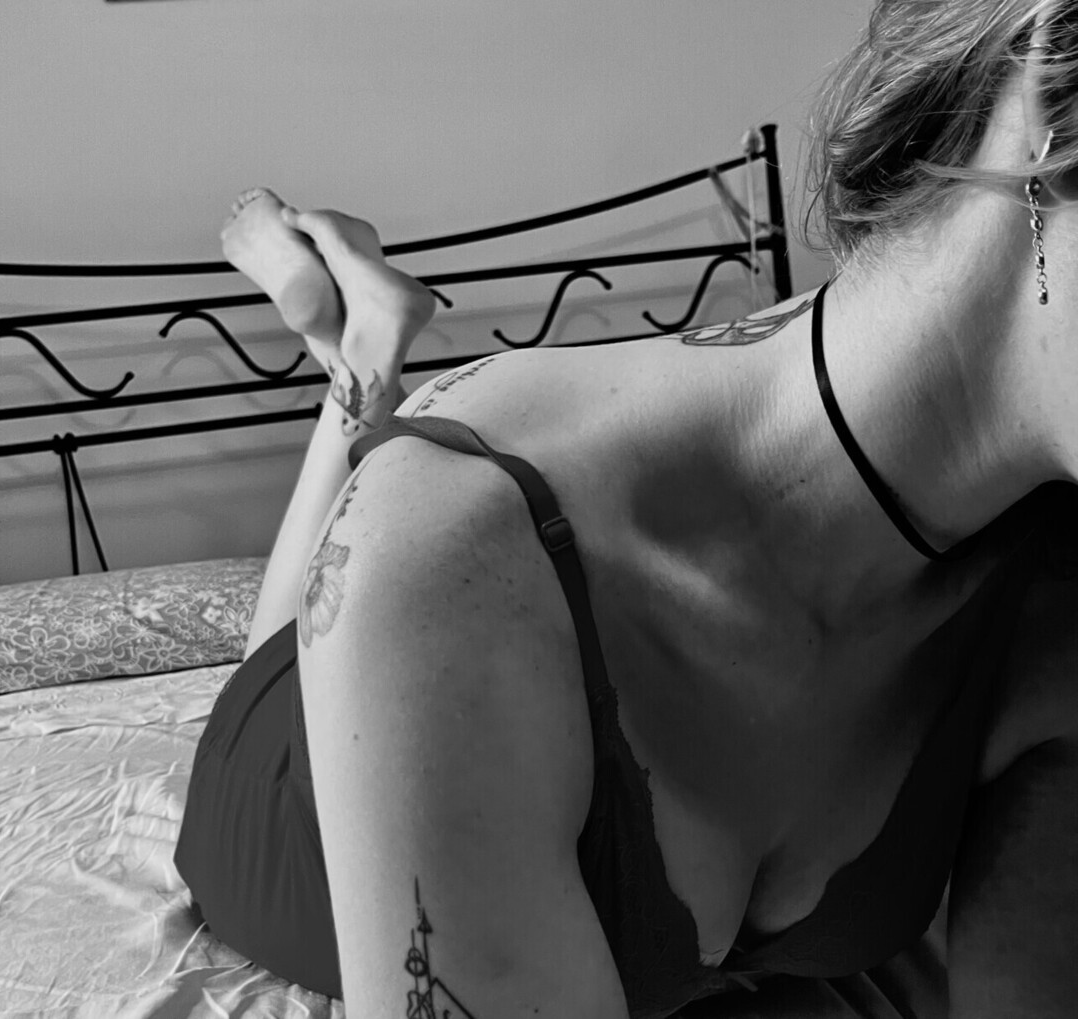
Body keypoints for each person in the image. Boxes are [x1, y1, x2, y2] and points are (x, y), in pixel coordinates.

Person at [175, 3, 1078, 1017]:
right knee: (332, 614)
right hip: (278, 795)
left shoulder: (1046, 598)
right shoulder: (462, 548)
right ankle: (357, 370)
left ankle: (360, 350)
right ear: (1051, 108)